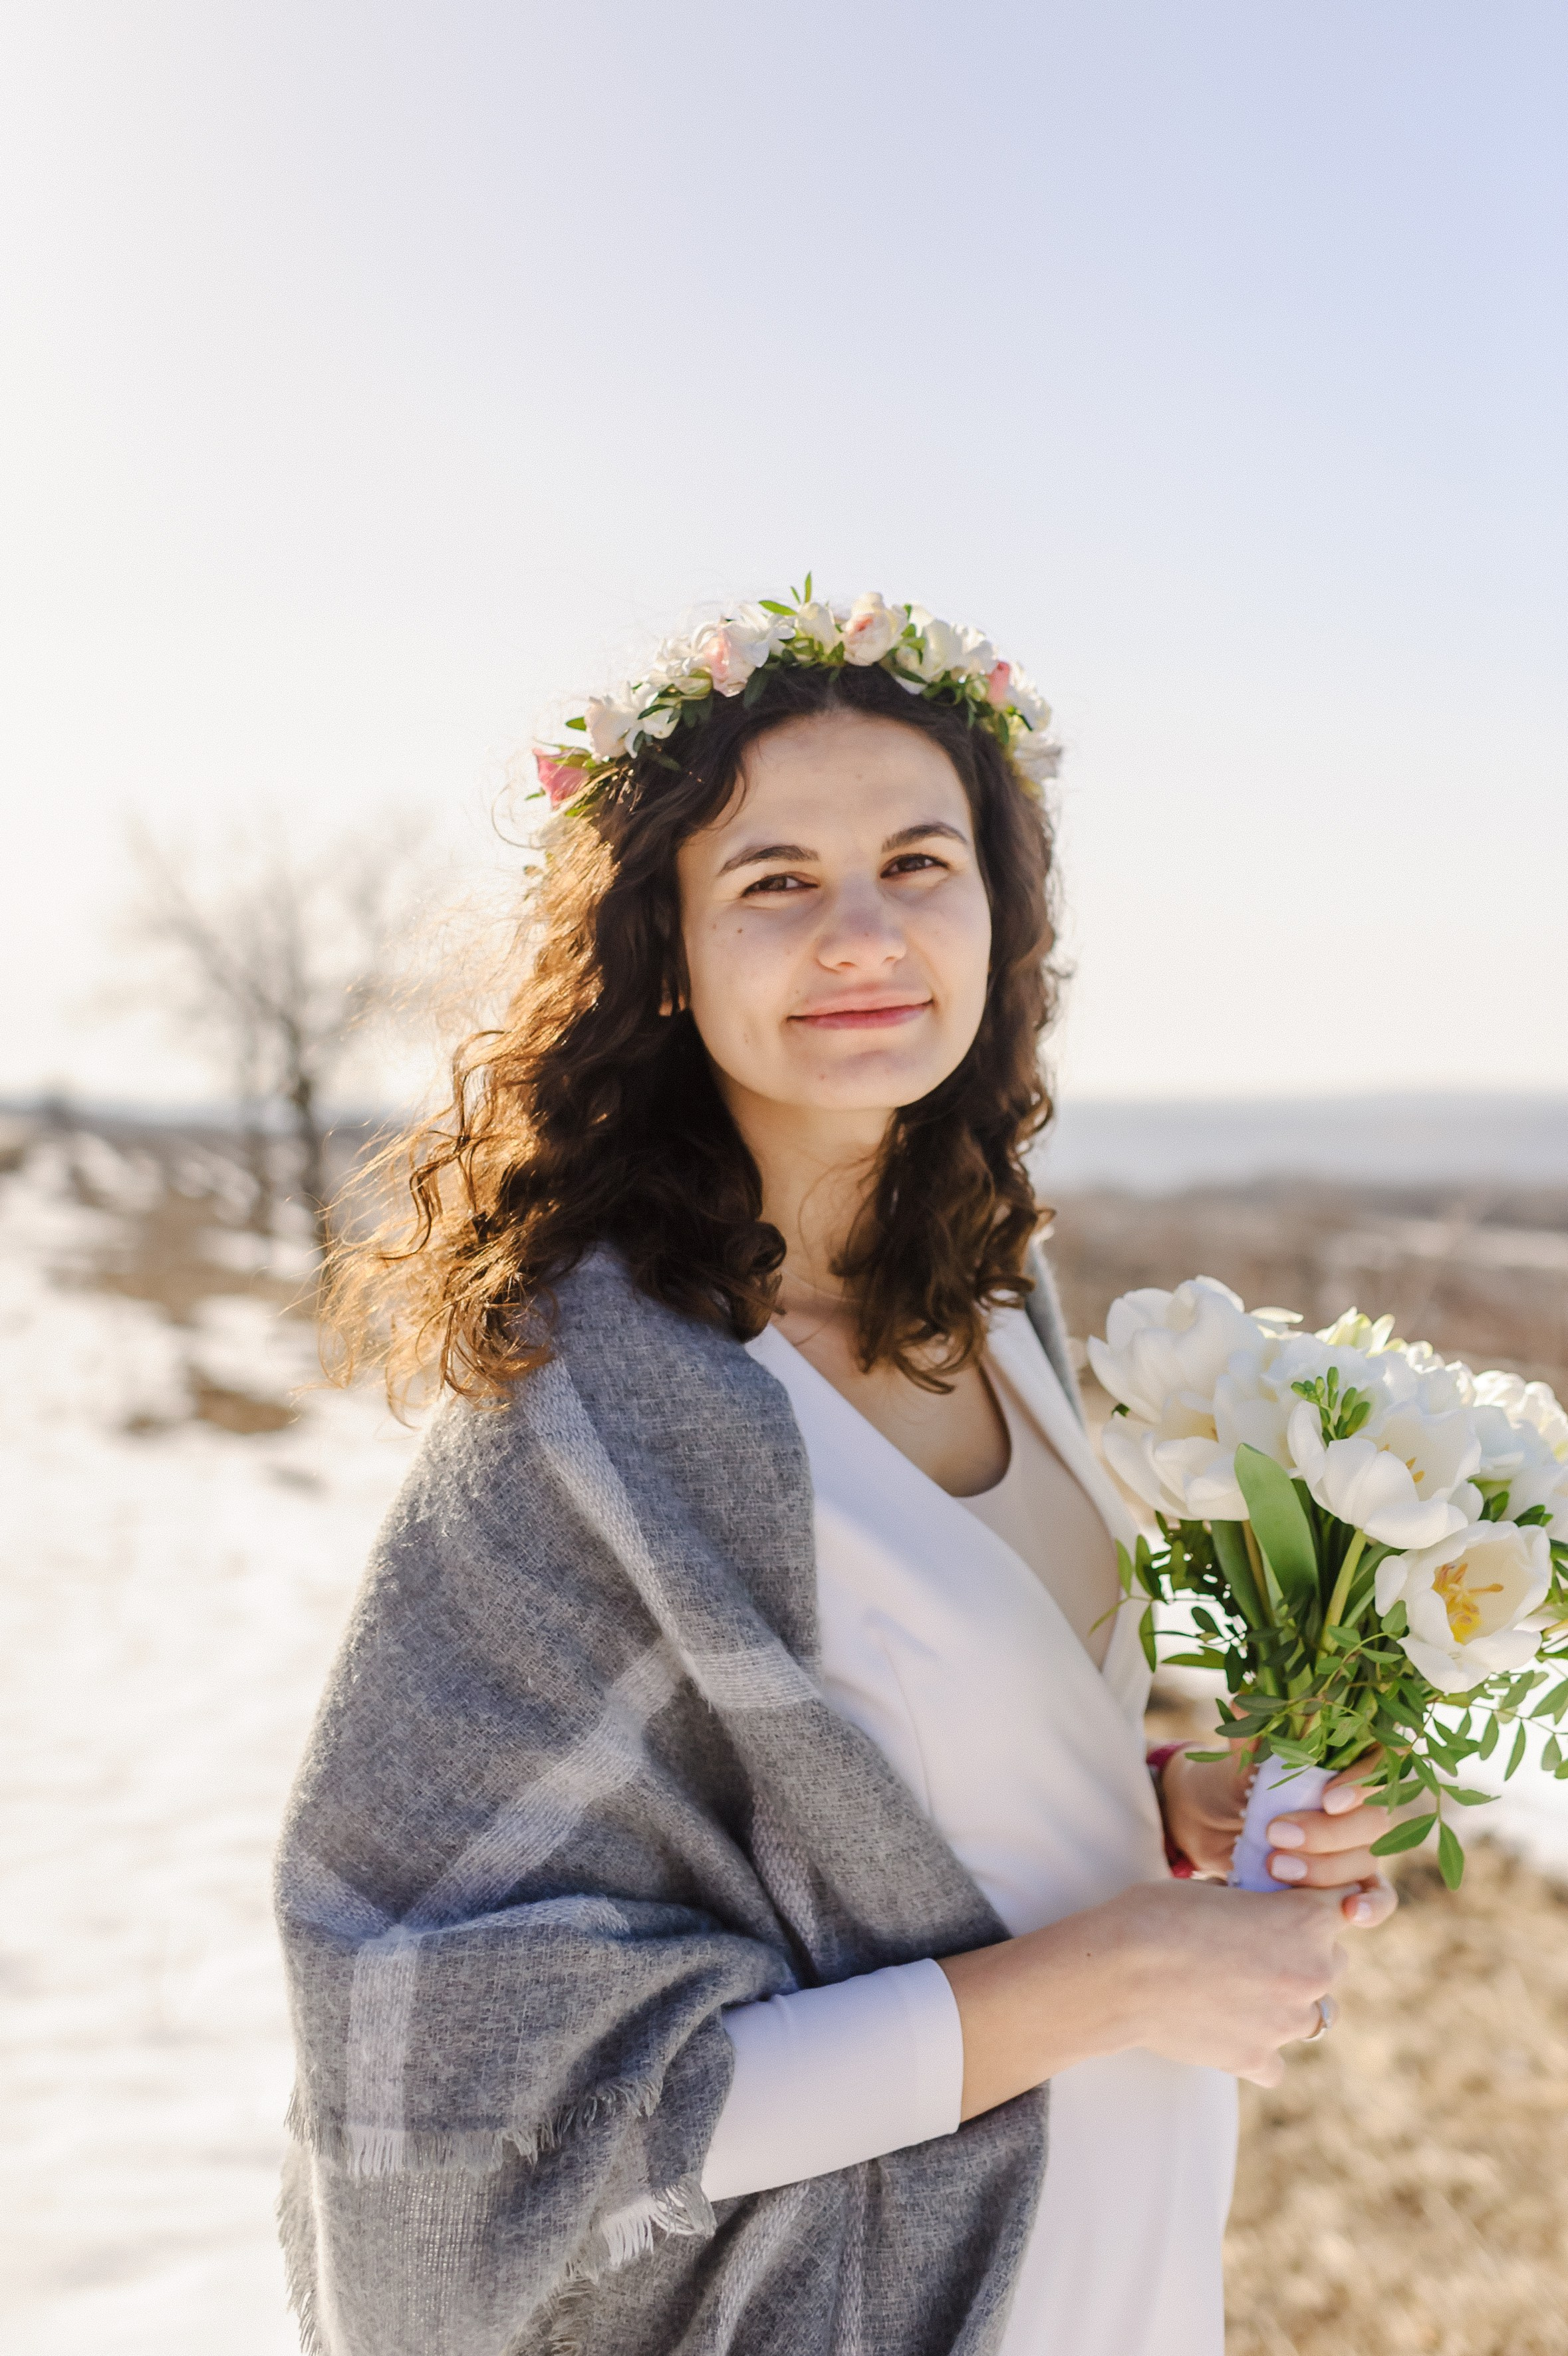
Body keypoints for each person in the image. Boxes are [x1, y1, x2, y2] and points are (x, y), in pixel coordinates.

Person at [277, 592, 1396, 2356]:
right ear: (665, 951)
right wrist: (1115, 1974)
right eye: (777, 880)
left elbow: (926, 1782)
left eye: (919, 862)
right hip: (868, 2295)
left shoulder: (998, 1294)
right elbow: (498, 2076)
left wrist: (1180, 1805)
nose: (864, 933)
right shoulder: (599, 1409)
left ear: (996, 908)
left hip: (1124, 2223)